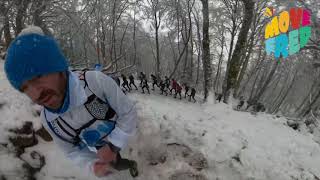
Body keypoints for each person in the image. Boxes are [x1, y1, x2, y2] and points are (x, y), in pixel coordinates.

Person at [4, 28, 138, 178]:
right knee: (117, 165)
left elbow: (128, 112)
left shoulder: (95, 82)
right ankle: (131, 165)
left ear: (59, 68)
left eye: (38, 77)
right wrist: (93, 166)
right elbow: (72, 150)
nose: (35, 94)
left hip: (130, 136)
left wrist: (113, 146)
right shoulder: (49, 121)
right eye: (24, 88)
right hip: (101, 149)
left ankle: (134, 160)